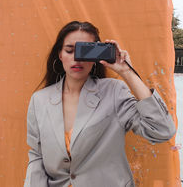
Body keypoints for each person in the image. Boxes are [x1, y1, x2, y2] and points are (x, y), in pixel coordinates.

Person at [24, 21, 176, 187]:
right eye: (69, 50)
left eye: (85, 51)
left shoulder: (114, 92)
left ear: (96, 56)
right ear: (60, 54)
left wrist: (127, 71)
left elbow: (162, 130)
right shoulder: (39, 100)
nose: (77, 58)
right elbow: (37, 157)